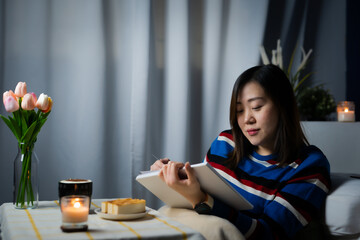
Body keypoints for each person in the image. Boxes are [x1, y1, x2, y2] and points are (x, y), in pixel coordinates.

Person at [150, 64, 331, 239]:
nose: (247, 119)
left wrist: (200, 199)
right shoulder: (226, 142)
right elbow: (200, 201)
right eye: (239, 110)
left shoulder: (310, 165)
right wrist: (174, 178)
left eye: (257, 107)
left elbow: (269, 234)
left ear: (282, 106)